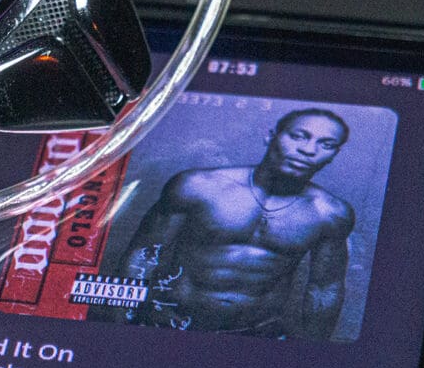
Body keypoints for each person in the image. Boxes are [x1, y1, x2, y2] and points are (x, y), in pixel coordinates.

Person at [119, 108, 355, 340]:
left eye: (326, 144)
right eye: (298, 136)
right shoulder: (197, 186)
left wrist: (314, 353)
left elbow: (325, 288)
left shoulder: (330, 213)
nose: (308, 150)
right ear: (271, 136)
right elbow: (144, 256)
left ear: (334, 155)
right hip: (170, 324)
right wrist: (123, 324)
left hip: (260, 335)